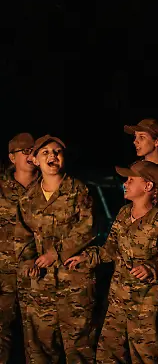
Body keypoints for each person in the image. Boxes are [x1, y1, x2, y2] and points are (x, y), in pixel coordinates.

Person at [65, 160, 158, 363]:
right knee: (107, 355)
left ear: (148, 186)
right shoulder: (123, 213)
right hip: (117, 300)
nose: (125, 184)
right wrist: (86, 256)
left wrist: (152, 267)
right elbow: (110, 249)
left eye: (131, 180)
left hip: (145, 305)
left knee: (145, 357)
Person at [15, 135, 96, 363]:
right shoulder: (28, 198)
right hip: (40, 286)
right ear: (35, 160)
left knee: (79, 349)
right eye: (45, 152)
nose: (52, 156)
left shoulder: (80, 190)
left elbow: (88, 228)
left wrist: (56, 253)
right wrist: (28, 262)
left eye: (57, 152)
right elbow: (23, 236)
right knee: (41, 349)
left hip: (74, 283)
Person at [0, 133, 38, 363]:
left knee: (37, 337)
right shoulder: (1, 187)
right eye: (25, 151)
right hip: (3, 273)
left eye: (33, 151)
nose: (30, 156)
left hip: (36, 272)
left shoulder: (49, 186)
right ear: (12, 158)